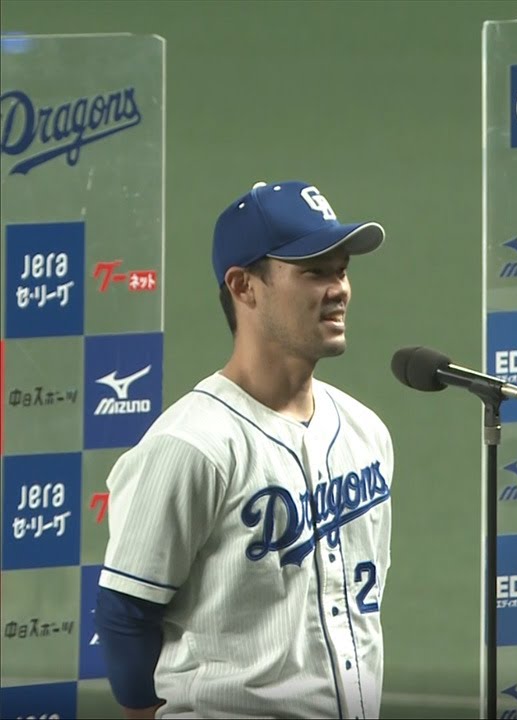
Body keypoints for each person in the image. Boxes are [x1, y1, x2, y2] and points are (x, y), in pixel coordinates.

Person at [95, 180, 395, 719]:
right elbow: (125, 615)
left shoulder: (365, 432)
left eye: (342, 270)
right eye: (314, 271)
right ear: (244, 286)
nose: (339, 289)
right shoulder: (190, 445)